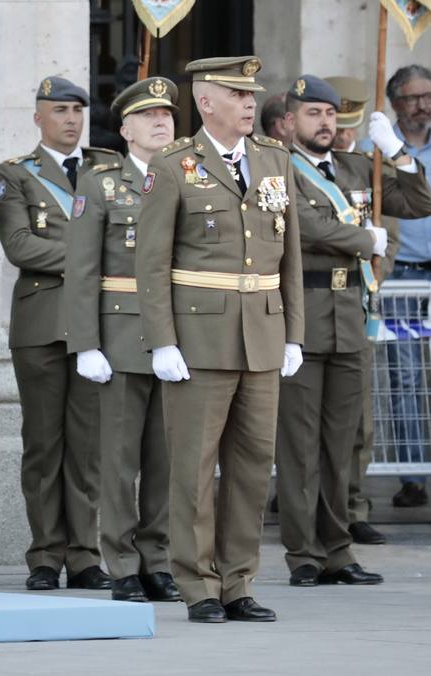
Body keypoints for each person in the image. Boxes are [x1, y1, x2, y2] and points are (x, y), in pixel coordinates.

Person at [137, 55, 304, 624]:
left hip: (261, 331)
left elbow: (290, 258)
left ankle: (239, 582)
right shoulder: (174, 164)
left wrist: (293, 333)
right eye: (237, 94)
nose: (251, 102)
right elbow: (152, 263)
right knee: (192, 468)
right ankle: (197, 584)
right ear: (206, 102)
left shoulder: (275, 160)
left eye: (252, 93)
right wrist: (161, 340)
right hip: (198, 337)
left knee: (253, 466)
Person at [277, 76, 431, 588]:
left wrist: (399, 153)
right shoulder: (277, 168)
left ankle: (338, 550)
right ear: (291, 120)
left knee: (343, 442)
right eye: (314, 113)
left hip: (350, 315)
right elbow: (301, 224)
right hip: (300, 313)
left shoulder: (356, 167)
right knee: (301, 442)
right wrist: (363, 237)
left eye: (331, 114)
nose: (325, 123)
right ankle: (303, 552)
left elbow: (418, 201)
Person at [0, 76, 119, 592]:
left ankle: (85, 555)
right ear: (38, 117)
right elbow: (20, 246)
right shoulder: (16, 174)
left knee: (87, 447)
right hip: (43, 325)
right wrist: (95, 257)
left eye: (77, 110)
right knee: (44, 445)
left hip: (97, 326)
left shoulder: (107, 168)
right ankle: (45, 554)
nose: (71, 119)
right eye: (61, 110)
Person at [63, 76, 182, 604]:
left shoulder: (188, 177)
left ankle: (158, 559)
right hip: (121, 335)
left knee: (166, 459)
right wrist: (84, 342)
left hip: (176, 336)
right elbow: (82, 269)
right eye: (149, 116)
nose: (161, 122)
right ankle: (123, 562)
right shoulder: (100, 182)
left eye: (168, 115)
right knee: (119, 460)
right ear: (126, 128)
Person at [325, 75, 390, 546]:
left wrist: (398, 150)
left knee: (358, 422)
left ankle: (353, 505)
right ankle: (312, 509)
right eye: (330, 123)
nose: (341, 136)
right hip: (312, 306)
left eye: (346, 128)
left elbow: (405, 213)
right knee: (310, 424)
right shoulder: (295, 170)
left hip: (356, 304)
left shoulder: (365, 169)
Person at [380, 63, 431, 510]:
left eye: (427, 95)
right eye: (413, 98)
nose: (422, 105)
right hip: (402, 278)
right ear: (395, 102)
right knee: (406, 379)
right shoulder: (375, 147)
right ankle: (413, 477)